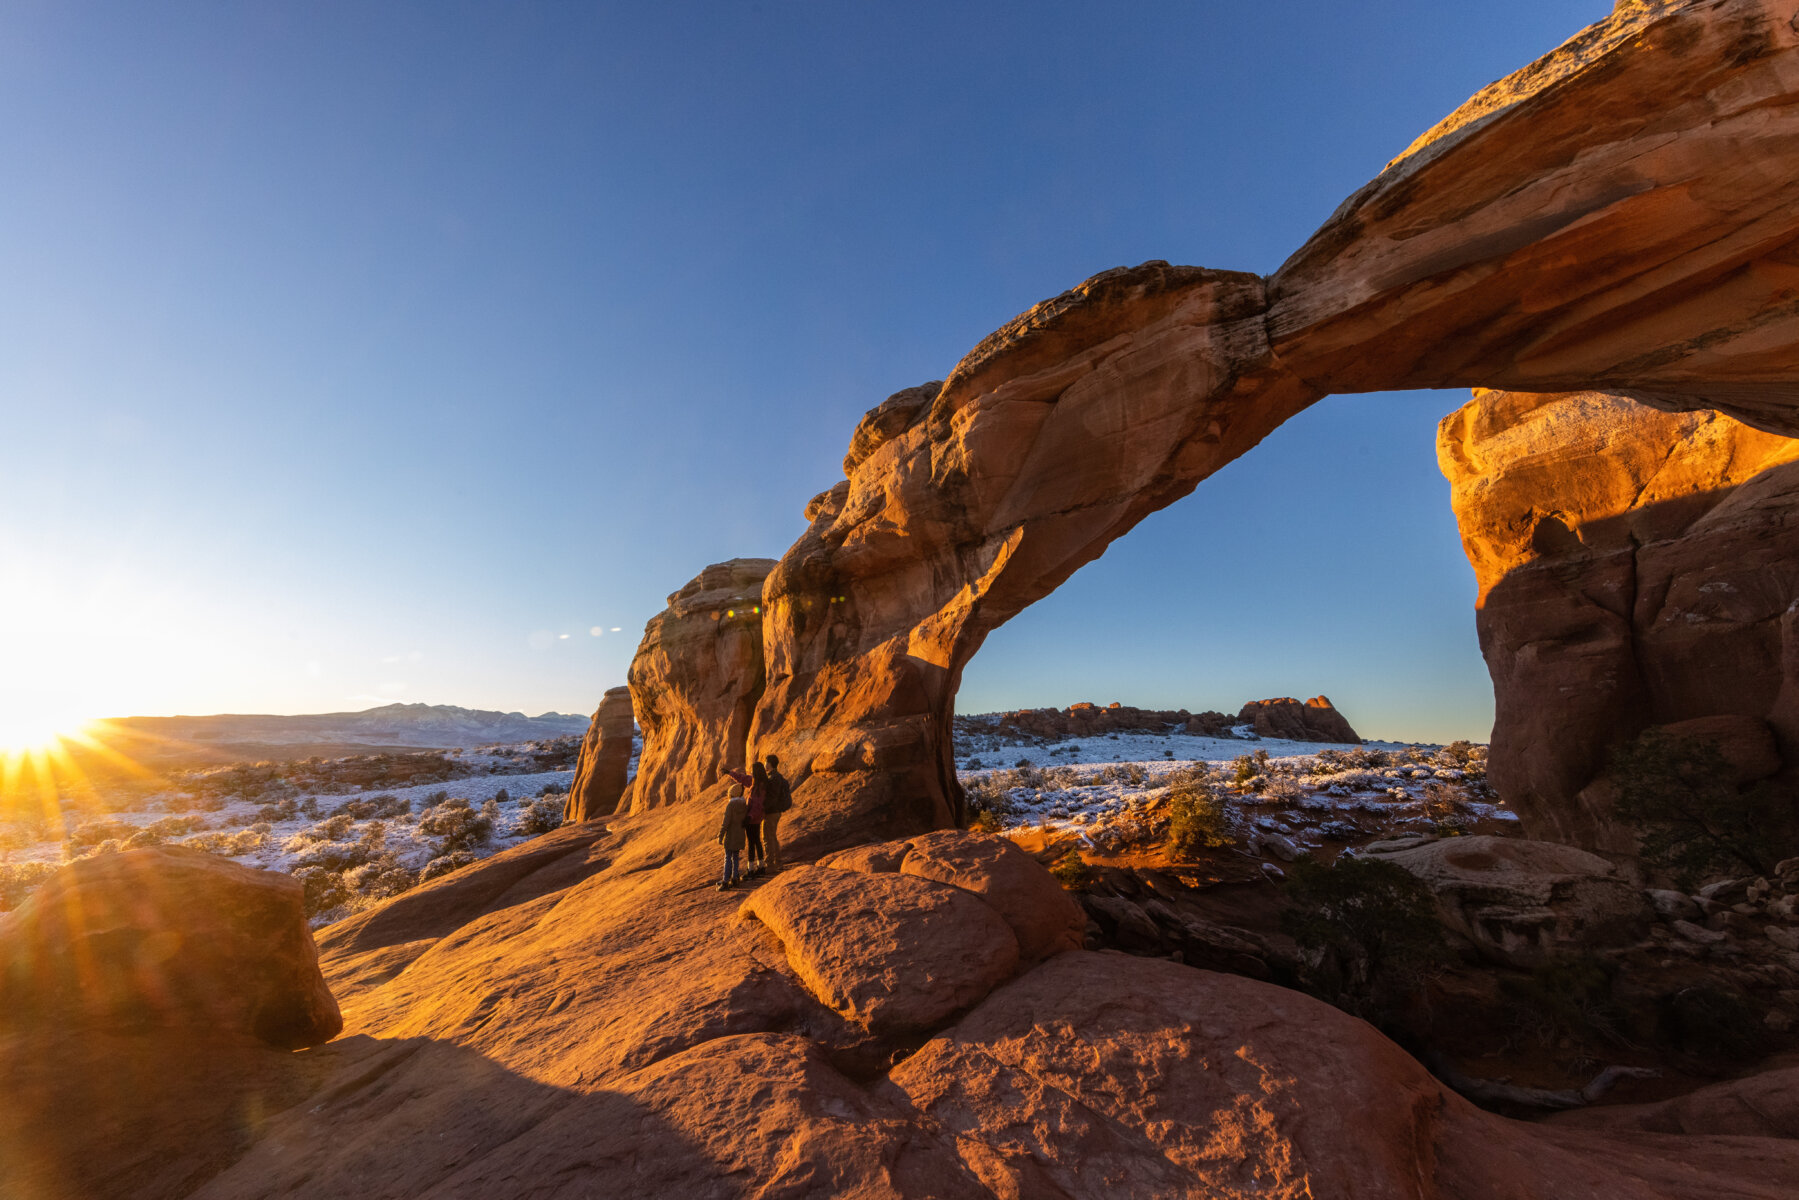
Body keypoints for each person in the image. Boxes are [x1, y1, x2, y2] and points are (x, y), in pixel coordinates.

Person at [721, 764, 767, 875]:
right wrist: (730, 773)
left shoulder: (760, 787)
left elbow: (758, 806)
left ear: (756, 772)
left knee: (752, 843)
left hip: (753, 819)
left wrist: (749, 817)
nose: (751, 772)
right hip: (753, 818)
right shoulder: (755, 782)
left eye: (752, 771)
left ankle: (751, 869)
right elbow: (742, 778)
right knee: (756, 842)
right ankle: (760, 866)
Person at [762, 753, 791, 872]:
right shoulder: (776, 776)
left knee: (767, 838)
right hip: (775, 811)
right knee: (772, 837)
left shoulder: (773, 778)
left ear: (769, 764)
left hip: (771, 812)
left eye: (766, 762)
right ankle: (778, 863)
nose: (765, 764)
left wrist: (763, 809)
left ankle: (770, 865)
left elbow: (772, 798)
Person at [716, 786, 748, 890]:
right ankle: (735, 879)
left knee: (727, 858)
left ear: (731, 794)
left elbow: (726, 822)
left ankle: (725, 881)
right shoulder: (744, 804)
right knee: (735, 857)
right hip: (740, 835)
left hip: (730, 836)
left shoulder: (730, 805)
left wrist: (720, 835)